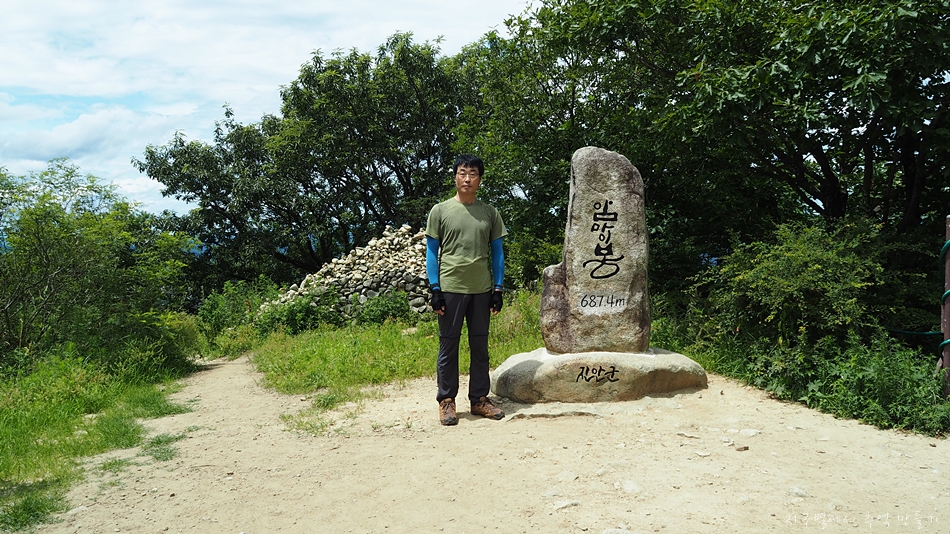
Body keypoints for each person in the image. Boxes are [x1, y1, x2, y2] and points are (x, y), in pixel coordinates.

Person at [425, 154, 507, 426]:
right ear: (455, 177)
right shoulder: (440, 211)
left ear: (480, 179)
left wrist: (498, 289)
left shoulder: (490, 213)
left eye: (473, 174)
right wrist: (435, 288)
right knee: (448, 345)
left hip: (481, 289)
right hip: (450, 288)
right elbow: (431, 253)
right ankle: (447, 401)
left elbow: (497, 253)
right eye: (463, 173)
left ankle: (479, 399)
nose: (467, 179)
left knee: (480, 346)